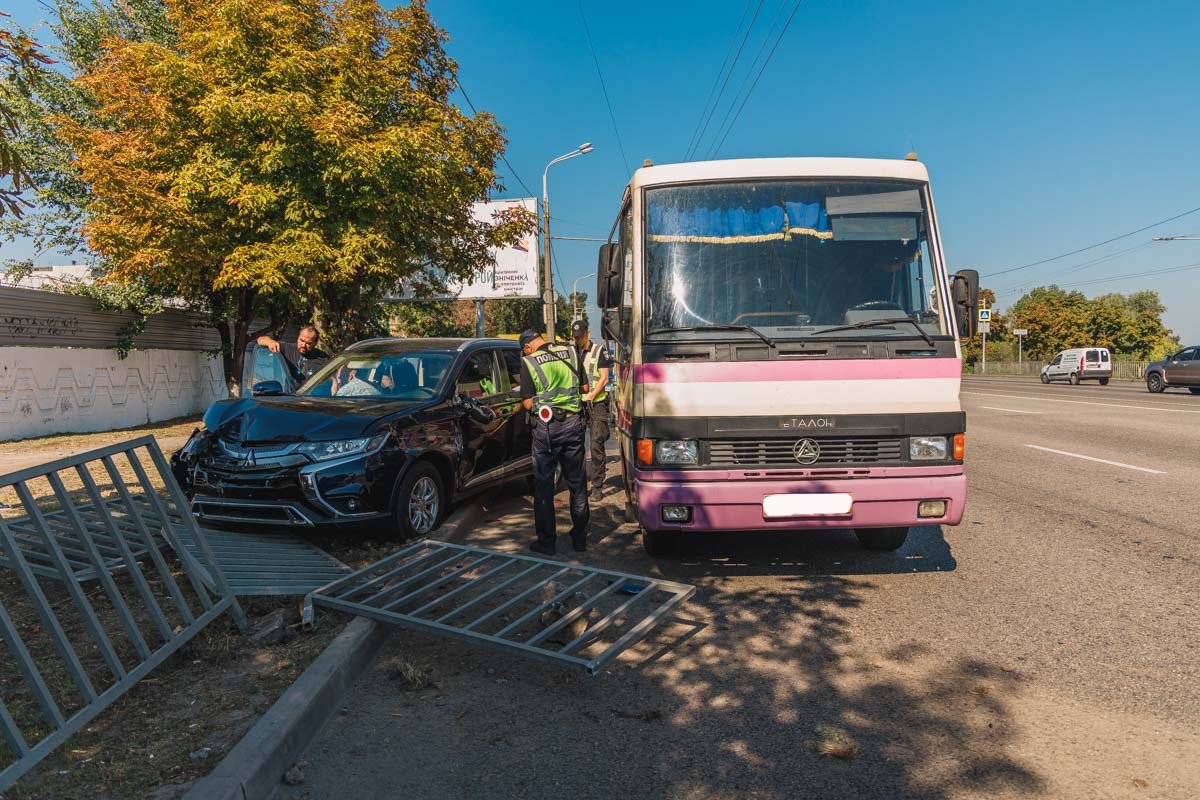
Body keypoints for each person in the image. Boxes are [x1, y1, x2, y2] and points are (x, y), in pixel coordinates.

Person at [519, 328, 590, 555]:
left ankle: (547, 543)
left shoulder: (530, 361)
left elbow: (528, 403)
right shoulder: (571, 352)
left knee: (543, 488)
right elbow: (585, 389)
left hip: (547, 430)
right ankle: (580, 540)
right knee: (577, 485)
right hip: (573, 425)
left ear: (527, 346)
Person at [571, 318, 613, 502]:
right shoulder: (572, 352)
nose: (577, 340)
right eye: (575, 337)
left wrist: (591, 395)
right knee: (575, 446)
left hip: (596, 404)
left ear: (587, 333)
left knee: (596, 444)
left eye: (580, 336)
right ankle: (578, 484)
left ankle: (597, 485)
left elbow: (604, 378)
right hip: (577, 405)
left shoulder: (599, 351)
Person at [257, 325, 330, 384]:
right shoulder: (287, 348)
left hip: (311, 398)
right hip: (288, 397)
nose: (303, 345)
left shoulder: (324, 359)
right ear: (298, 337)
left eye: (308, 343)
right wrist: (271, 342)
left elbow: (332, 380)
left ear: (315, 343)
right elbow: (260, 340)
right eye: (301, 340)